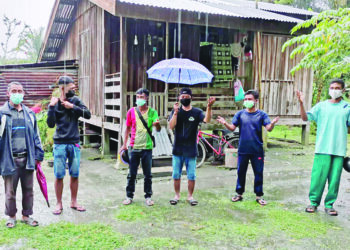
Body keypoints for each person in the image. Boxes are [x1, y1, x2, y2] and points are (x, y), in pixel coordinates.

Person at [297, 79, 350, 216]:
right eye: (332, 87)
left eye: (337, 88)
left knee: (334, 180)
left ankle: (329, 205)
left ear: (343, 90)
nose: (334, 90)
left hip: (338, 150)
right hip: (322, 148)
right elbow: (305, 118)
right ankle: (313, 203)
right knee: (318, 177)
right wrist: (301, 103)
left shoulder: (347, 108)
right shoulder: (321, 106)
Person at [217, 89, 279, 206]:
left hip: (257, 150)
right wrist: (224, 123)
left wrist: (273, 123)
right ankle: (239, 194)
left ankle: (259, 195)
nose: (247, 101)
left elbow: (268, 128)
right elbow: (232, 127)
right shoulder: (240, 114)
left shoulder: (261, 115)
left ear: (256, 100)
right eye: (245, 99)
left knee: (258, 173)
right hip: (243, 149)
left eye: (249, 99)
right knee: (241, 172)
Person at [0, 82, 44, 228]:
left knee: (28, 190)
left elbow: (36, 136)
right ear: (8, 93)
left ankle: (27, 215)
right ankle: (11, 217)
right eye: (14, 91)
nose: (17, 93)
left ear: (23, 93)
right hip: (9, 159)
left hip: (27, 158)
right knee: (9, 191)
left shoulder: (29, 114)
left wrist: (39, 155)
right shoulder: (2, 114)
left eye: (19, 91)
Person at [47, 76, 91, 215]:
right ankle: (59, 203)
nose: (74, 90)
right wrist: (51, 107)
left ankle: (74, 201)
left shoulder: (75, 100)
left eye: (74, 88)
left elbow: (88, 114)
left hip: (74, 143)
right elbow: (50, 124)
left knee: (75, 174)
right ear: (62, 88)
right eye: (71, 88)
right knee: (59, 175)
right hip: (59, 143)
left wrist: (72, 107)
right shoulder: (55, 103)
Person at [168, 87, 215, 206]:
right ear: (179, 98)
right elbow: (171, 126)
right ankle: (177, 195)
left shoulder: (197, 112)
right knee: (176, 174)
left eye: (187, 97)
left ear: (191, 98)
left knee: (191, 175)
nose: (184, 99)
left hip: (191, 149)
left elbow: (207, 120)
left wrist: (209, 107)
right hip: (177, 148)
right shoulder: (175, 111)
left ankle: (190, 196)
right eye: (182, 97)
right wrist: (176, 113)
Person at [119, 88, 161, 206]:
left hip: (147, 148)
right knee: (131, 174)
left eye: (142, 97)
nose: (139, 99)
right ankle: (129, 196)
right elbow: (127, 128)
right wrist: (124, 144)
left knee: (147, 174)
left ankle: (148, 196)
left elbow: (157, 129)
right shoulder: (131, 111)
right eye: (137, 97)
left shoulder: (152, 112)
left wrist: (157, 125)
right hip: (134, 147)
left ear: (147, 98)